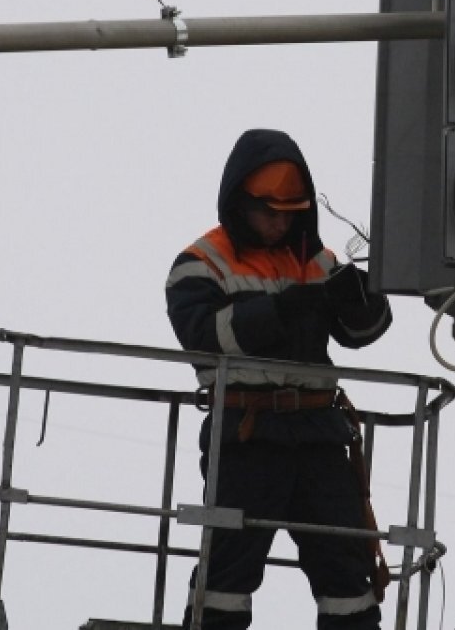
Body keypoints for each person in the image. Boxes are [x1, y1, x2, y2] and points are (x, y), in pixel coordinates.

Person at [165, 128, 393, 630]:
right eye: (269, 213)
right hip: (247, 434)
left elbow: (361, 334)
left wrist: (366, 301)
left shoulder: (318, 260)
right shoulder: (200, 264)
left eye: (289, 214)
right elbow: (204, 338)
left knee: (347, 563)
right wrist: (280, 309)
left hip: (318, 434)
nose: (279, 223)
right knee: (228, 569)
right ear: (240, 204)